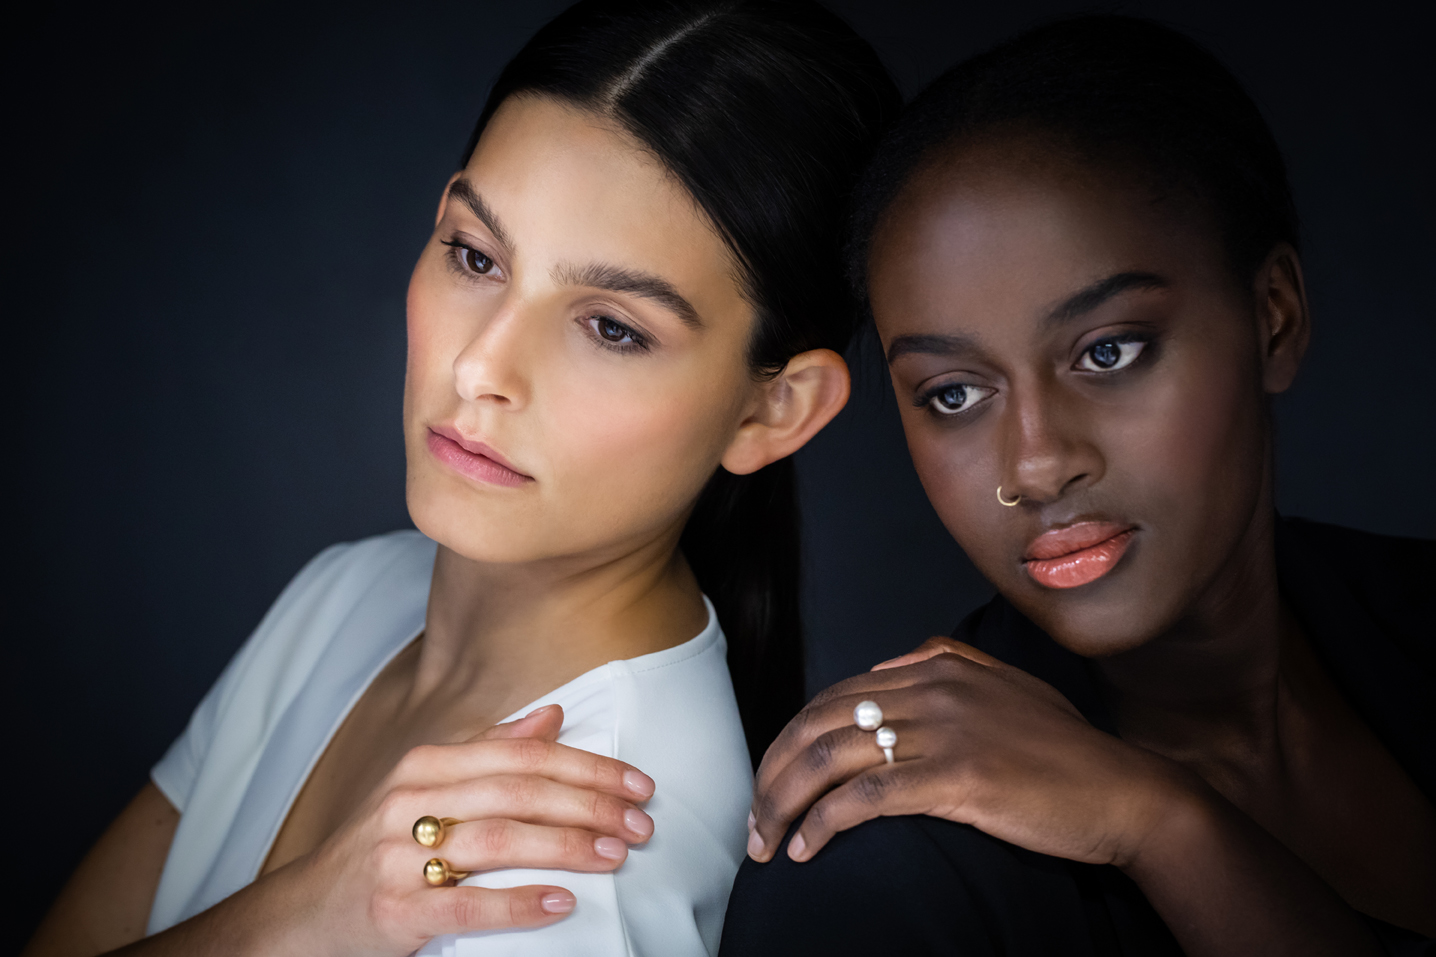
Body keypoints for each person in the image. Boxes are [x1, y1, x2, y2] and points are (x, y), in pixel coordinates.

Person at [23, 2, 898, 955]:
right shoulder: (346, 596)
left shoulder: (579, 864)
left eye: (612, 326)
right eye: (476, 256)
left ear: (776, 408)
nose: (482, 367)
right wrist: (303, 912)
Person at [722, 15, 1435, 957]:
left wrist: (1162, 822)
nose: (1036, 463)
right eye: (956, 392)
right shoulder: (885, 874)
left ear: (1274, 318)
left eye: (1108, 350)